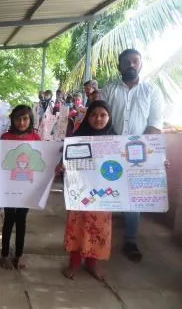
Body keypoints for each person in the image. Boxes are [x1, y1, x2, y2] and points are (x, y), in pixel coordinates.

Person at [101, 49, 164, 263]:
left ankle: (130, 240)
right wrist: (113, 144)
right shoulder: (108, 90)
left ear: (141, 65)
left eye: (135, 61)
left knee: (133, 198)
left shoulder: (151, 91)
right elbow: (100, 118)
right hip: (110, 147)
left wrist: (137, 147)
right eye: (126, 62)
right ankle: (100, 239)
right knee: (105, 193)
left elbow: (155, 125)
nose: (130, 65)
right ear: (119, 66)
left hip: (140, 151)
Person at [56, 100, 115, 281]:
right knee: (78, 226)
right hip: (80, 192)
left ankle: (92, 263)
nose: (98, 118)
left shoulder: (117, 140)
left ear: (109, 117)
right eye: (94, 114)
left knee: (99, 228)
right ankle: (74, 263)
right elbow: (65, 162)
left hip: (104, 194)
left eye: (103, 115)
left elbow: (129, 166)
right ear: (87, 117)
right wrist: (62, 167)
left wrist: (157, 164)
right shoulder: (76, 139)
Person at [0, 105, 41, 270]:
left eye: (25, 118)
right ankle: (4, 255)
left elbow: (42, 161)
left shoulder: (36, 138)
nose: (21, 122)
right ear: (12, 120)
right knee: (8, 221)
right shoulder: (5, 137)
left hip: (27, 190)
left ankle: (19, 255)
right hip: (9, 188)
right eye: (18, 118)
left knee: (21, 221)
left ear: (30, 120)